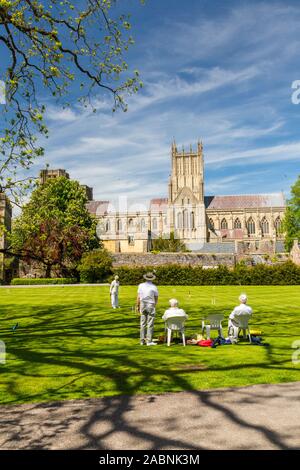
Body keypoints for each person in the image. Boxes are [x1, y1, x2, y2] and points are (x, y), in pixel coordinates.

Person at [137, 272, 159, 346]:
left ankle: (142, 341)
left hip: (143, 304)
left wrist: (137, 305)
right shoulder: (154, 287)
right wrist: (154, 305)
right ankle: (149, 341)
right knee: (150, 323)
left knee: (142, 323)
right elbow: (156, 297)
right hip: (150, 304)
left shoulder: (141, 285)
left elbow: (138, 297)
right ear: (152, 279)